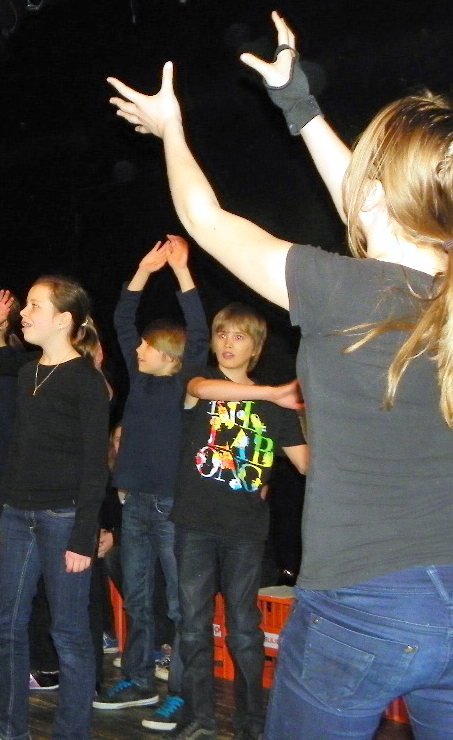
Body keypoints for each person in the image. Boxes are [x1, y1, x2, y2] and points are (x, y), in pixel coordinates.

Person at [108, 11, 453, 740]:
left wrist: (171, 129)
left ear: (381, 191)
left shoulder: (341, 291)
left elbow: (205, 220)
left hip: (363, 603)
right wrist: (298, 103)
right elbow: (371, 209)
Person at [141, 303, 307, 739]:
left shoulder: (277, 406)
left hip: (244, 530)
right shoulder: (199, 379)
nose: (228, 343)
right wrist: (272, 394)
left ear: (256, 347)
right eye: (222, 334)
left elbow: (307, 464)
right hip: (195, 523)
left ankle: (251, 722)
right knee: (193, 626)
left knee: (244, 629)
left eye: (239, 336)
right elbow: (203, 389)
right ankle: (201, 717)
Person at [0, 276, 110, 740]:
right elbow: (15, 449)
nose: (24, 313)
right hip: (17, 515)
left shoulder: (86, 381)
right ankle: (9, 730)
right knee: (6, 627)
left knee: (69, 633)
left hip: (63, 520)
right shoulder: (27, 373)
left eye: (35, 305)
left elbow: (96, 465)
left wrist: (84, 536)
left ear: (63, 319)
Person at [97, 235, 207, 714]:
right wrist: (143, 269)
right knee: (138, 598)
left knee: (181, 604)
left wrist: (181, 270)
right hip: (134, 503)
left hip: (170, 506)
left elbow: (198, 330)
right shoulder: (140, 380)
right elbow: (122, 318)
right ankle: (138, 679)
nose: (138, 348)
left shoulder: (187, 382)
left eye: (147, 346)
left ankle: (182, 691)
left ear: (169, 354)